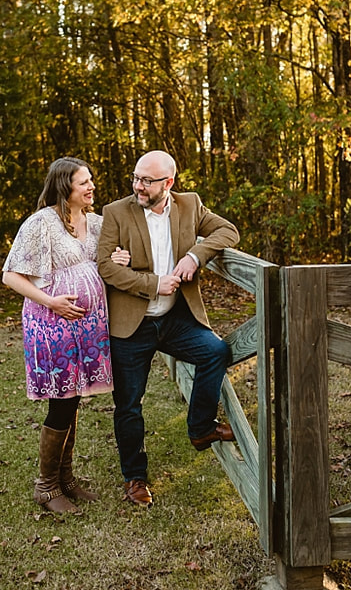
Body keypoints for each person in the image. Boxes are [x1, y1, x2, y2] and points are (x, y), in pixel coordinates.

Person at [96, 149, 239, 509]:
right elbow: (105, 268)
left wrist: (196, 255)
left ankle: (200, 427)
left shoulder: (190, 205)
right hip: (132, 324)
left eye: (147, 180)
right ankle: (135, 478)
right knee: (129, 405)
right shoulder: (116, 212)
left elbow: (228, 231)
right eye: (136, 178)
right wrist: (152, 284)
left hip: (175, 320)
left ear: (169, 183)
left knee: (215, 352)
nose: (138, 186)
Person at [3, 157, 129, 513]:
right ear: (64, 188)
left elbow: (105, 262)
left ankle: (66, 479)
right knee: (62, 400)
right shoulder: (40, 224)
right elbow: (11, 276)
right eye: (83, 183)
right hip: (52, 323)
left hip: (88, 327)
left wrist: (118, 259)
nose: (91, 187)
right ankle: (46, 486)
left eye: (90, 180)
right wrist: (53, 303)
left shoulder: (98, 223)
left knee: (73, 399)